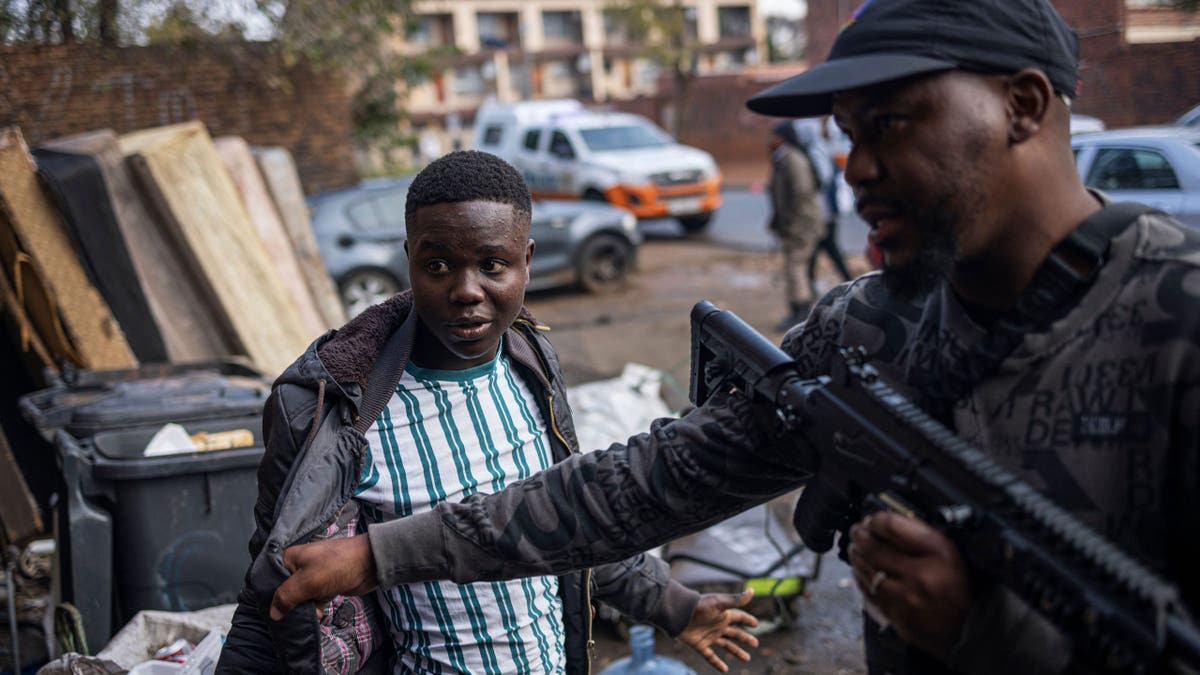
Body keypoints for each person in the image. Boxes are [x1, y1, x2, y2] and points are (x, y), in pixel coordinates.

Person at [262, 1, 1200, 674]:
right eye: (847, 133)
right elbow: (640, 484)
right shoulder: (868, 324)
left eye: (893, 124)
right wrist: (380, 554)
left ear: (1024, 107)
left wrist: (990, 634)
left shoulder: (1177, 327)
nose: (855, 169)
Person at [216, 151, 761, 674]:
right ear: (408, 258)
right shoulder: (333, 412)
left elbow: (561, 521)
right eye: (437, 265)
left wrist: (674, 604)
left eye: (493, 264)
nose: (466, 291)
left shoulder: (530, 362)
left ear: (526, 260)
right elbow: (274, 595)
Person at [767, 121, 825, 331]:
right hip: (798, 224)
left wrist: (791, 223)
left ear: (782, 138)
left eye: (773, 136)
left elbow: (801, 192)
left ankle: (801, 312)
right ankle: (801, 309)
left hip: (801, 225)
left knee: (795, 267)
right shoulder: (784, 159)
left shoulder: (792, 160)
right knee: (797, 267)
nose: (770, 141)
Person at [792, 117, 854, 292]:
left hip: (822, 211)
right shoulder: (816, 149)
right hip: (822, 211)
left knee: (823, 247)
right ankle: (814, 283)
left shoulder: (814, 150)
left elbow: (823, 179)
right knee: (822, 248)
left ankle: (819, 283)